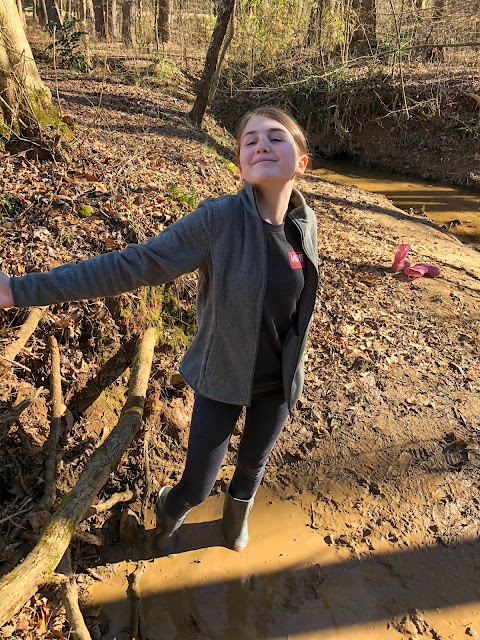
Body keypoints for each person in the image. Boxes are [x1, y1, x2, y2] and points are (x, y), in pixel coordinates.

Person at [0, 106, 318, 554]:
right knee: (198, 485)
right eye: (250, 140)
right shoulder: (218, 220)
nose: (261, 144)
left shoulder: (305, 223)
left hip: (279, 385)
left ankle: (235, 518)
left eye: (275, 137)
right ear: (242, 164)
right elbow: (135, 264)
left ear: (300, 163)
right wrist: (18, 290)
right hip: (220, 379)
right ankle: (169, 512)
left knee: (252, 467)